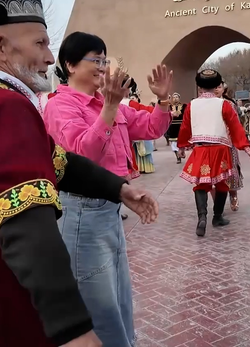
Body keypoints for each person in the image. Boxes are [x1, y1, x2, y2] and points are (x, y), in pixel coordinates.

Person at [0, 0, 159, 347]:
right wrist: (73, 328)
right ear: (1, 47)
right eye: (41, 44)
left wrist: (118, 189)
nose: (50, 58)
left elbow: (58, 161)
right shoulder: (3, 108)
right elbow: (25, 222)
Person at [44, 31, 171, 346]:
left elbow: (151, 128)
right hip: (81, 210)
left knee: (118, 294)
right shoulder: (60, 106)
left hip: (111, 206)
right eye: (95, 60)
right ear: (71, 65)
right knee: (97, 300)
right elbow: (82, 155)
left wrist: (163, 100)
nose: (103, 66)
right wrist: (110, 108)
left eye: (105, 59)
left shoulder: (106, 102)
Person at [177, 69, 250, 237]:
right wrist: (246, 147)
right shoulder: (224, 104)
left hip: (201, 149)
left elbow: (185, 127)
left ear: (199, 86)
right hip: (221, 149)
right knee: (222, 184)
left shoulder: (192, 105)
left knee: (201, 185)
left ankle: (202, 217)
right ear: (218, 85)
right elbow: (235, 127)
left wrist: (182, 146)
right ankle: (217, 216)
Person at [215, 81, 243, 211]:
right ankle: (218, 205)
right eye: (214, 87)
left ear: (223, 89)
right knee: (214, 174)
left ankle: (233, 196)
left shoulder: (229, 104)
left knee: (231, 172)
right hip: (212, 145)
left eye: (219, 87)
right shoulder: (205, 105)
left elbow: (236, 125)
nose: (216, 89)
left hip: (228, 144)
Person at [167, 92, 187, 163]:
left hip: (181, 126)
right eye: (174, 97)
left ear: (179, 98)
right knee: (173, 143)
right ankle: (177, 157)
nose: (175, 99)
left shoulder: (184, 106)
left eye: (177, 97)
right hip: (173, 126)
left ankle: (181, 153)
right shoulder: (169, 107)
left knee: (181, 141)